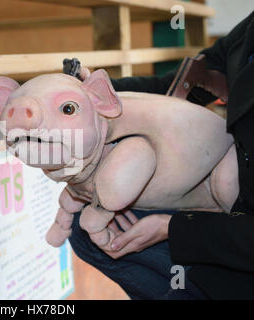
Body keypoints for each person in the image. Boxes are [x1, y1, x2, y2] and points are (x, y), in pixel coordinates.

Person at [68, 10, 254, 299]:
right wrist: (94, 92)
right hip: (235, 205)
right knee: (85, 227)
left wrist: (173, 228)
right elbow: (181, 87)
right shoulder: (248, 31)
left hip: (242, 243)